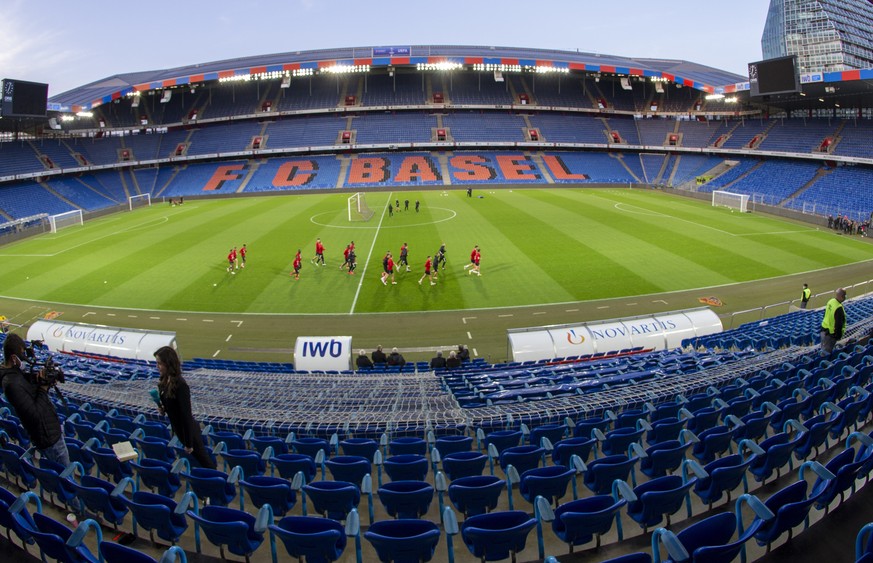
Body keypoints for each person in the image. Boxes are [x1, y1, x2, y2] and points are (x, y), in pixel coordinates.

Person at [0, 334, 69, 466]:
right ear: (14, 358)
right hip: (48, 438)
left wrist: (38, 381)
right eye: (22, 355)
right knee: (63, 475)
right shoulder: (12, 384)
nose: (25, 358)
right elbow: (34, 415)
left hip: (47, 433)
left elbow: (28, 394)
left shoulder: (14, 376)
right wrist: (43, 388)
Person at [154, 346, 216, 469]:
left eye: (159, 363)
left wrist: (189, 443)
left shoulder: (181, 385)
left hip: (189, 432)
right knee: (200, 461)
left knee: (205, 462)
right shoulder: (164, 381)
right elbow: (172, 405)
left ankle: (218, 483)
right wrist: (163, 409)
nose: (157, 366)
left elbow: (186, 415)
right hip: (179, 430)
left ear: (168, 363)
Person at [820, 288, 847, 355]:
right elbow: (838, 324)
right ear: (841, 296)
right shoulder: (838, 307)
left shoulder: (831, 301)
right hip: (830, 335)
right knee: (826, 353)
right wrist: (837, 336)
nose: (845, 297)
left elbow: (825, 314)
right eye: (844, 295)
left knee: (823, 349)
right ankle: (825, 364)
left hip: (824, 329)